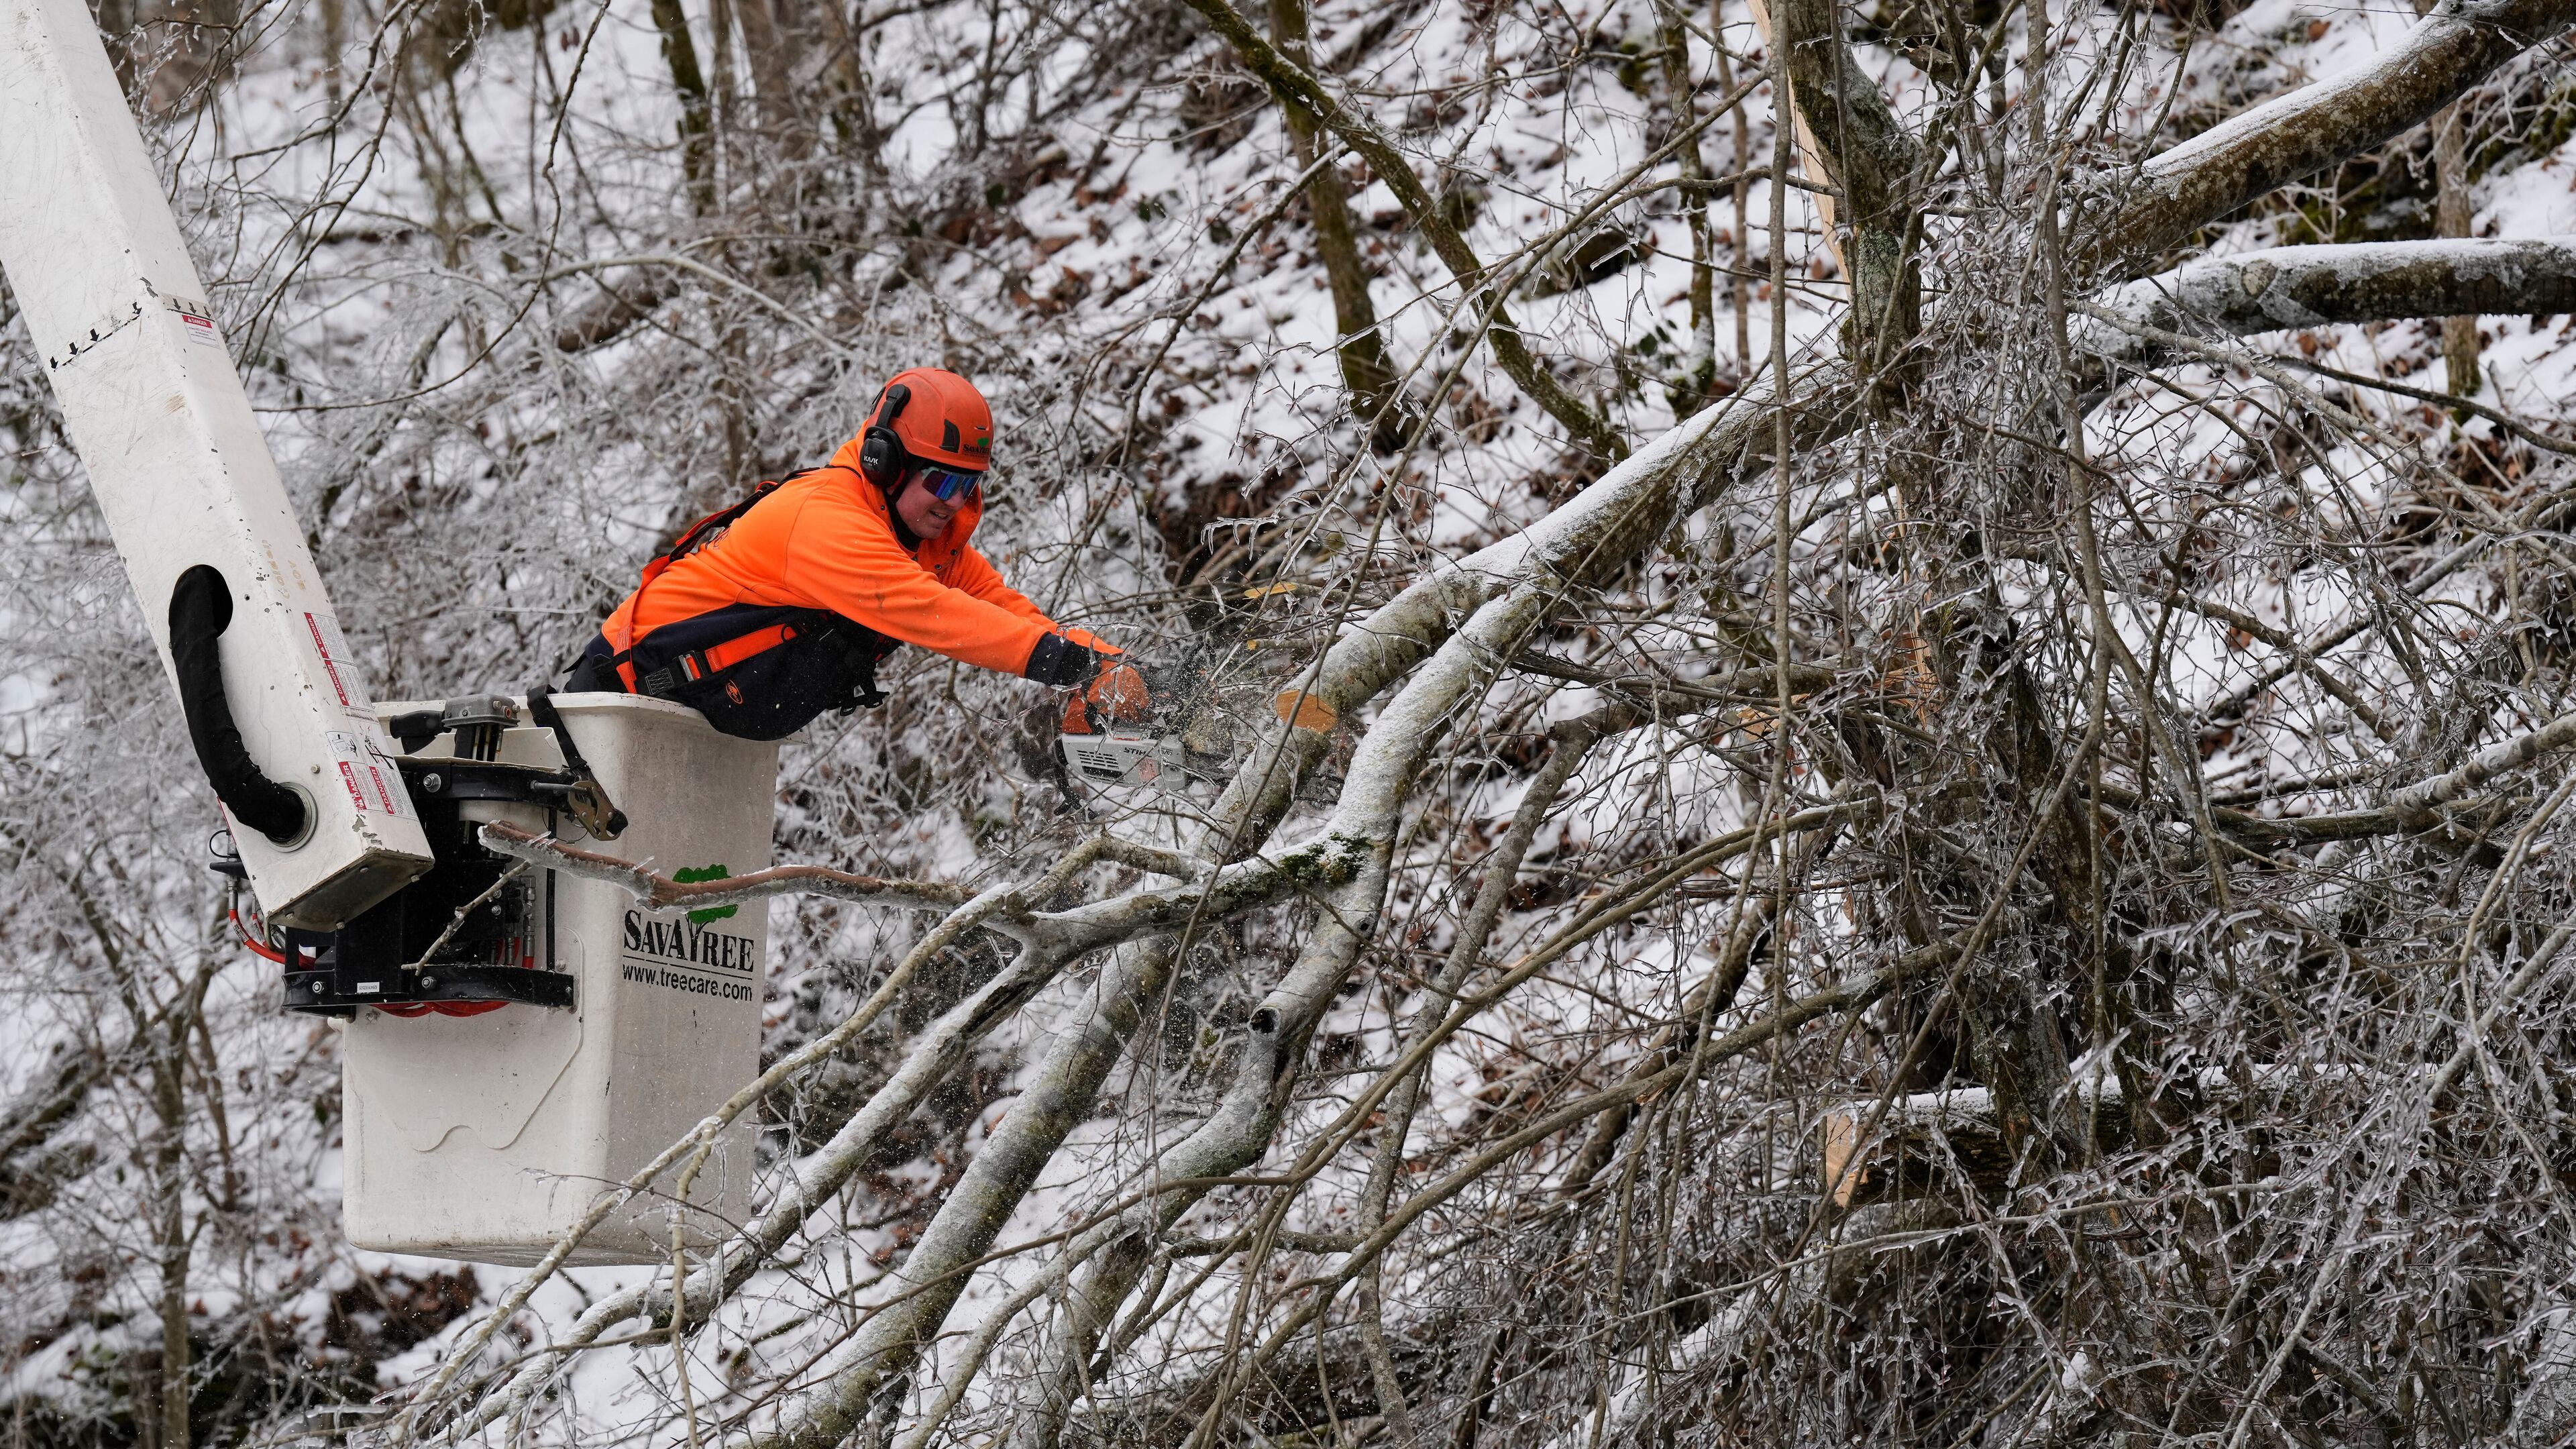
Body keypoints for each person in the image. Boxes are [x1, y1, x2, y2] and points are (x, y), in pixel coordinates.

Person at [567, 368, 1148, 741]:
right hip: (621, 699)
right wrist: (1080, 668)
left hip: (699, 728)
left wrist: (1119, 665)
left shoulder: (924, 539)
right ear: (886, 463)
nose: (955, 503)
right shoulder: (826, 519)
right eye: (943, 483)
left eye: (969, 486)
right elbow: (932, 613)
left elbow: (1003, 609)